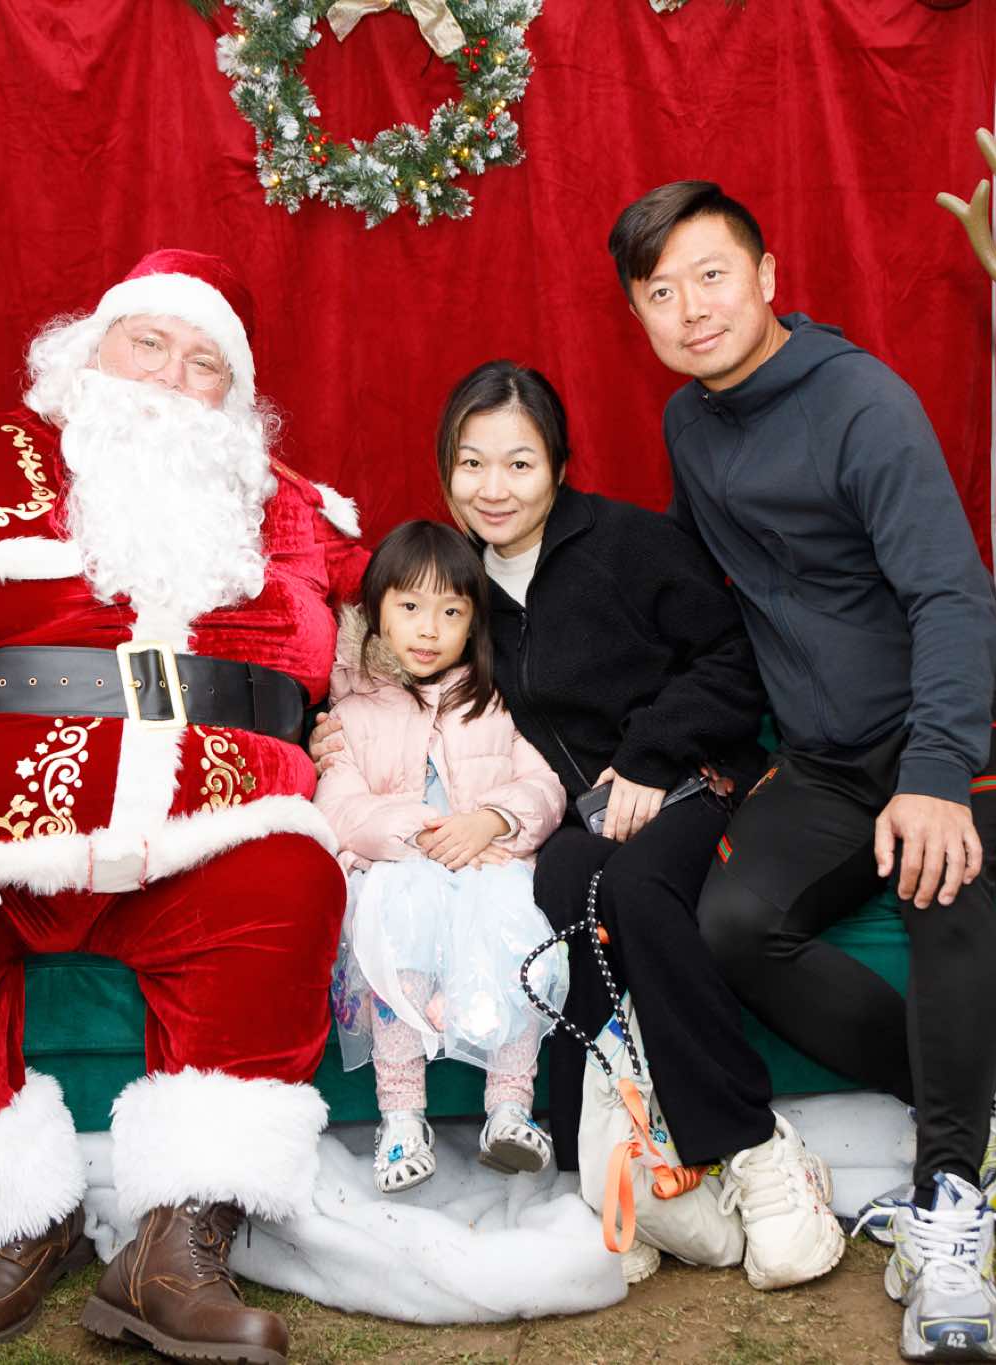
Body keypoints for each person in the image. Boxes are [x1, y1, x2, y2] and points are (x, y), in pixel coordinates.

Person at [0, 249, 366, 1364]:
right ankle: (5, 1213)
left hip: (209, 833)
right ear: (90, 350)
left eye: (204, 363)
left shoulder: (284, 511)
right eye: (150, 343)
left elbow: (414, 618)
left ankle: (177, 1242)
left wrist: (366, 733)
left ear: (233, 398)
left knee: (292, 876)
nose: (170, 376)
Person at [608, 181, 996, 1361]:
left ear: (766, 277)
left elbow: (946, 597)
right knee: (733, 925)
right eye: (660, 293)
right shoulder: (689, 424)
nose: (691, 309)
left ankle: (948, 1214)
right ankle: (974, 1115)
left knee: (937, 879)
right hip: (825, 751)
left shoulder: (863, 404)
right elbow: (707, 596)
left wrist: (937, 773)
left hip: (962, 720)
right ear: (639, 317)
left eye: (711, 275)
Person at [314, 361, 847, 1292]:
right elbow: (392, 664)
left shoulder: (630, 545)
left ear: (559, 466)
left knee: (632, 888)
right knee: (561, 888)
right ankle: (613, 1154)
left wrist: (650, 755)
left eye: (519, 464)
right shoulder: (458, 584)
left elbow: (732, 662)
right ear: (445, 470)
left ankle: (755, 1145)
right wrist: (332, 721)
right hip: (563, 817)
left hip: (689, 778)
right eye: (472, 464)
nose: (494, 488)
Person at [315, 520, 570, 1193]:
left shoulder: (487, 704)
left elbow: (544, 787)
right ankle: (402, 1118)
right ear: (376, 612)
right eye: (410, 607)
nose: (429, 629)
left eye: (451, 612)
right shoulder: (352, 711)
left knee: (521, 927)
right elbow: (339, 805)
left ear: (472, 625)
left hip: (485, 872)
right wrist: (419, 831)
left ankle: (510, 1108)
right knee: (398, 919)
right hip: (399, 873)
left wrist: (492, 820)